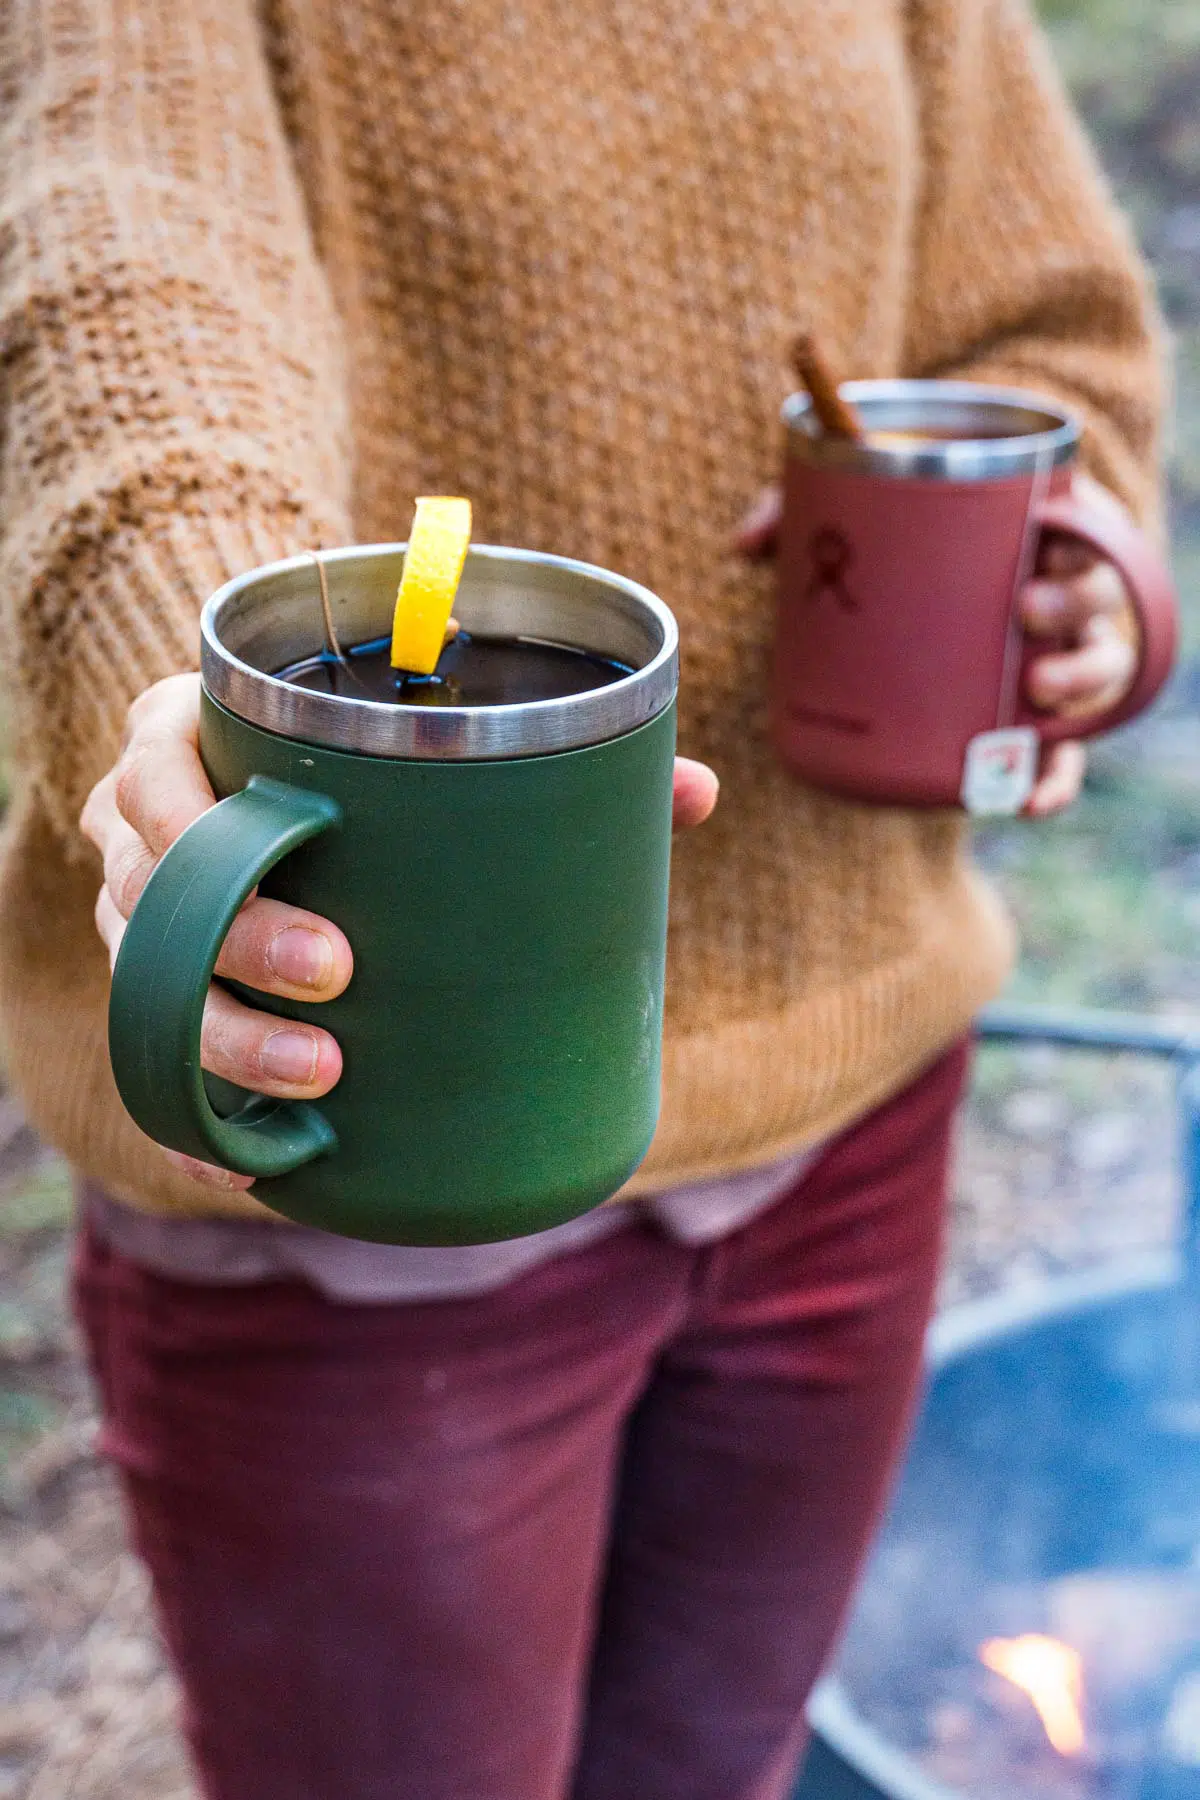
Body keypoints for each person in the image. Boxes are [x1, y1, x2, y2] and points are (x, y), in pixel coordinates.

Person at [0, 2, 1164, 1796]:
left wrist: (1057, 549)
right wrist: (222, 694)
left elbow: (1039, 326)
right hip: (366, 1172)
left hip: (853, 1101)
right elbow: (123, 294)